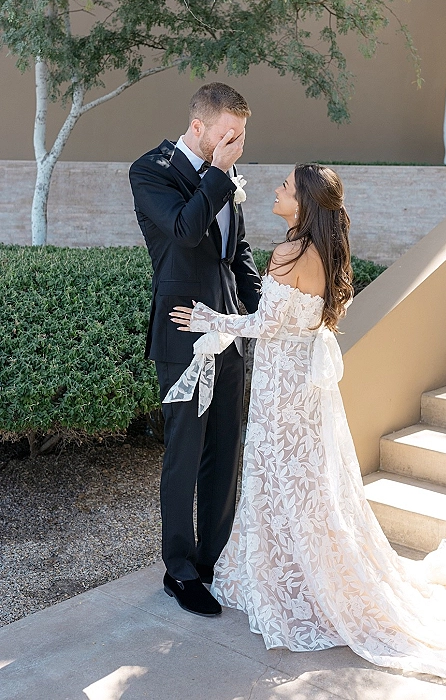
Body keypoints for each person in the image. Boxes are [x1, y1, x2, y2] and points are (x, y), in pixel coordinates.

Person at [167, 163, 446, 689]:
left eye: (286, 186)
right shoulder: (326, 252)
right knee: (309, 483)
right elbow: (301, 321)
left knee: (281, 477)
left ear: (305, 202)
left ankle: (295, 583)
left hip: (283, 389)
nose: (277, 190)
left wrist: (209, 320)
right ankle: (301, 573)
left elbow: (265, 325)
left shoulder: (290, 253)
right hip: (304, 389)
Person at [129, 82, 261, 618]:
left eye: (243, 135)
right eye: (227, 134)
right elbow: (185, 232)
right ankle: (179, 570)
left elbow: (238, 252)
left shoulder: (223, 177)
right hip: (184, 337)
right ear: (199, 127)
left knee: (225, 452)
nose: (235, 144)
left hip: (231, 333)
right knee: (184, 454)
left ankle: (215, 561)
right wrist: (218, 176)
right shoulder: (151, 171)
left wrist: (260, 319)